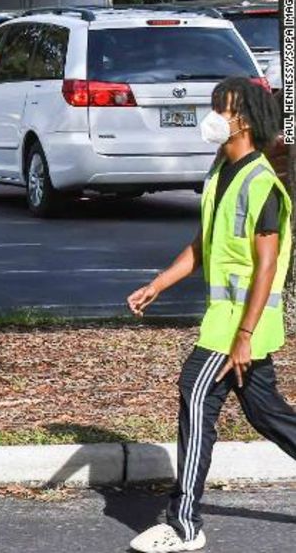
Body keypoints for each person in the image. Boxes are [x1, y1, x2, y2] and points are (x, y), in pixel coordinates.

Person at [126, 77, 296, 553]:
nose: (213, 114)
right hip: (226, 318)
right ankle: (185, 522)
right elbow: (205, 244)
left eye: (221, 106)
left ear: (243, 118)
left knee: (196, 395)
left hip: (243, 322)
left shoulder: (262, 183)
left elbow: (266, 266)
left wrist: (243, 335)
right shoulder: (221, 171)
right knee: (268, 415)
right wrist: (157, 284)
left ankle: (184, 525)